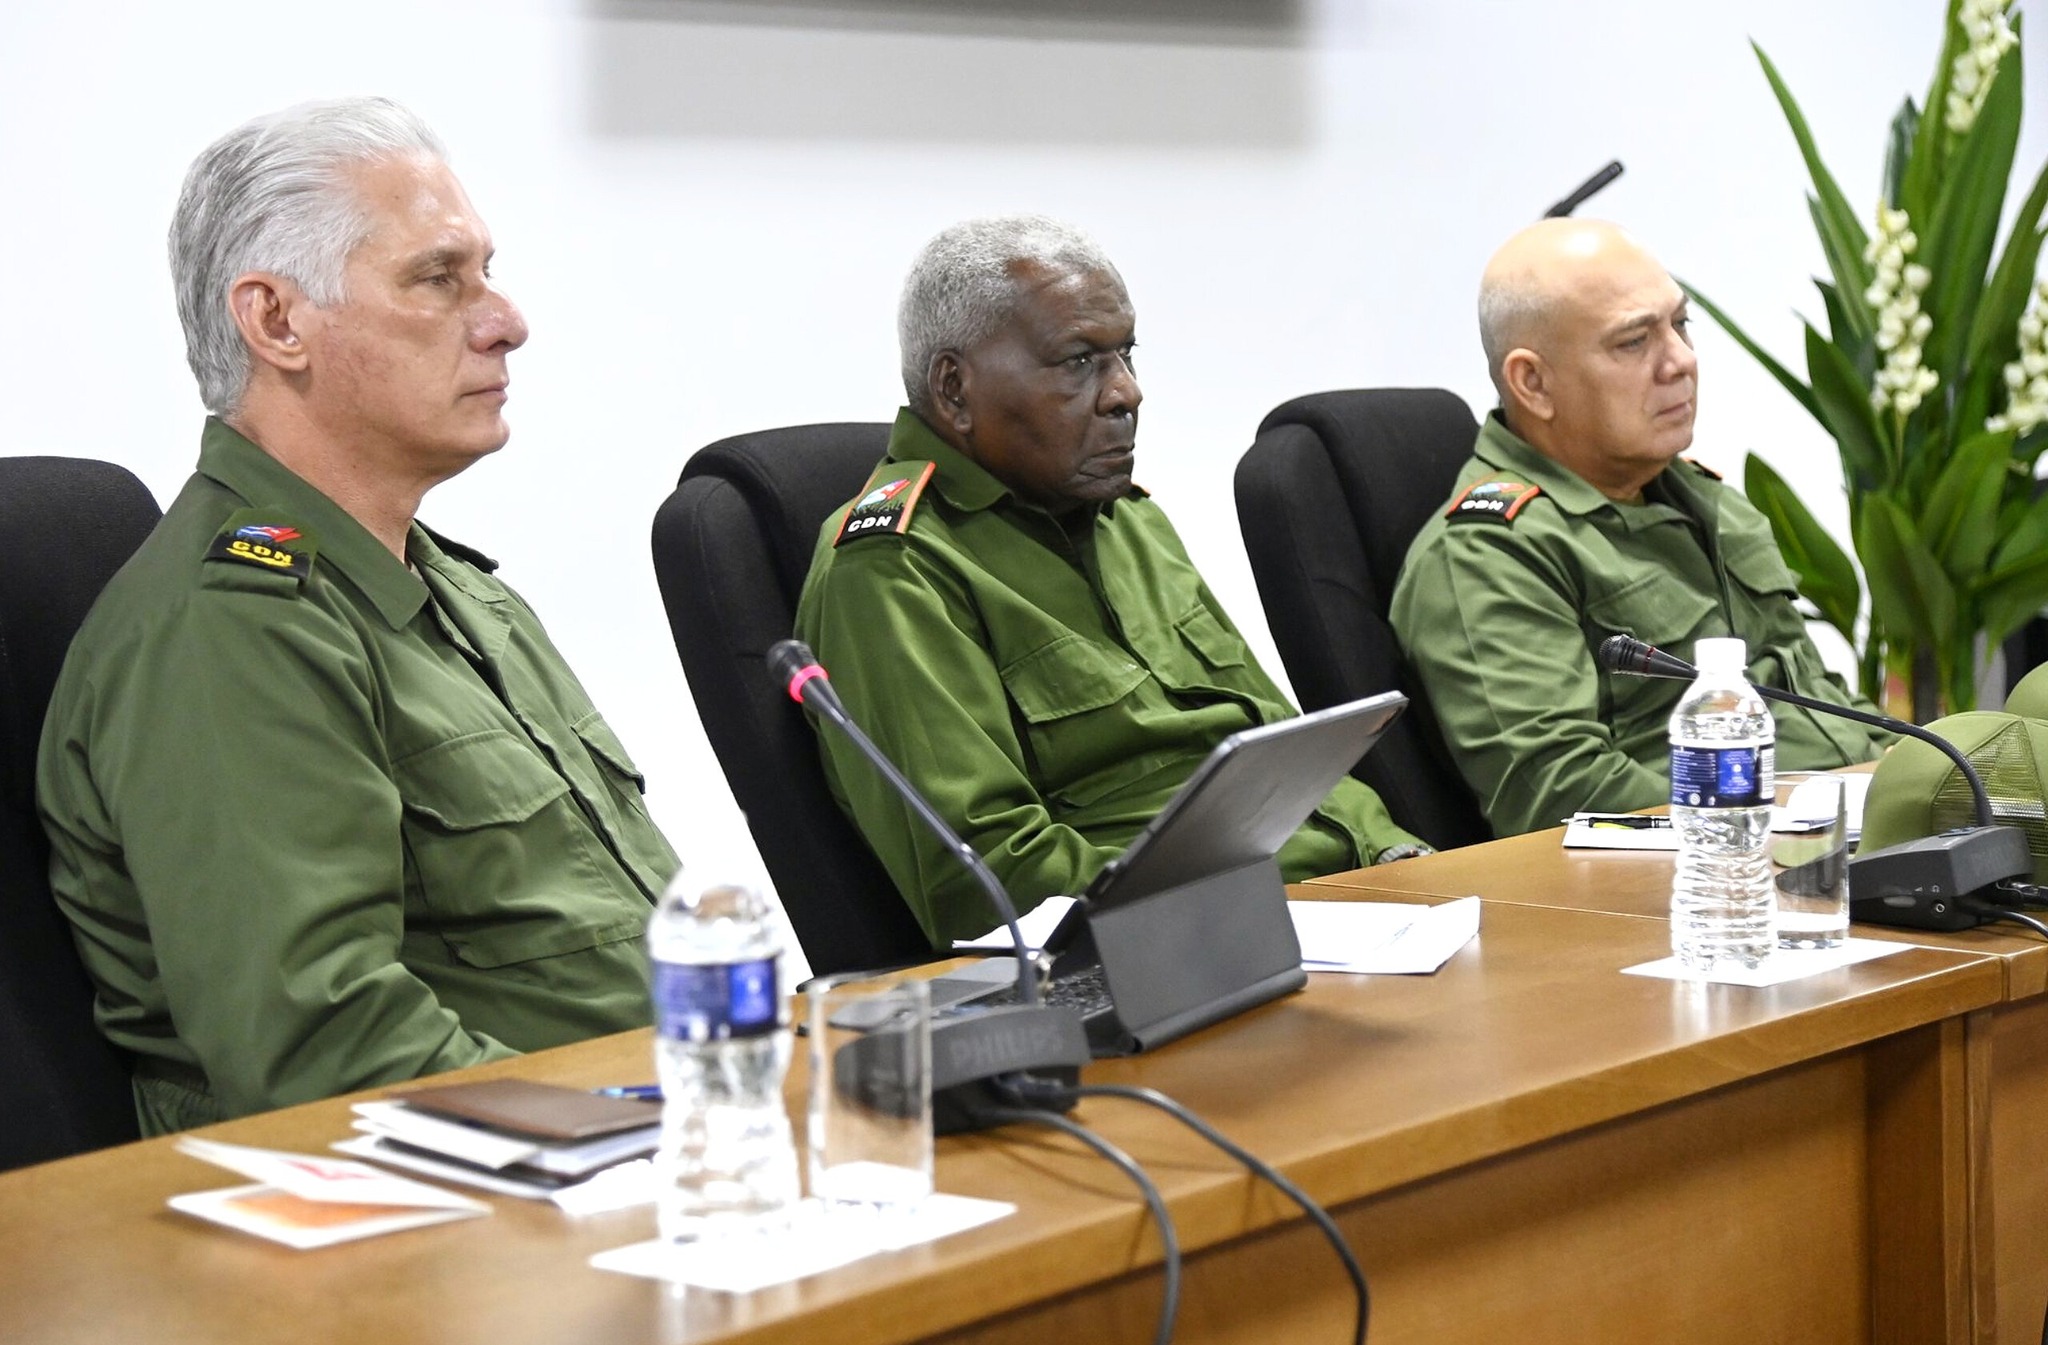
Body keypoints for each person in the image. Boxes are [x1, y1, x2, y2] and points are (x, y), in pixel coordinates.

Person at [36, 98, 678, 1135]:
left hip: (646, 1139)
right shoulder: (236, 630)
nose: (505, 318)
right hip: (463, 1217)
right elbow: (324, 1054)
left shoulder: (461, 593)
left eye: (485, 270)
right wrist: (661, 1133)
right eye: (438, 277)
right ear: (277, 321)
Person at [795, 216, 1425, 947]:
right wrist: (1252, 917)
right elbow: (987, 877)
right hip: (1179, 952)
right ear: (954, 389)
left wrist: (1390, 851)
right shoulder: (895, 567)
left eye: (1125, 354)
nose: (1127, 393)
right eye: (1078, 362)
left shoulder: (1128, 520)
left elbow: (1280, 740)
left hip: (1350, 910)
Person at [1390, 218, 1890, 837]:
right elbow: (1562, 793)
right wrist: (1791, 825)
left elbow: (1815, 694)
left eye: (1680, 325)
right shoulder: (1488, 554)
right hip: (1712, 883)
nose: (1680, 361)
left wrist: (1913, 779)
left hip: (1844, 839)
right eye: (1633, 342)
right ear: (1534, 383)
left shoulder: (1707, 501)